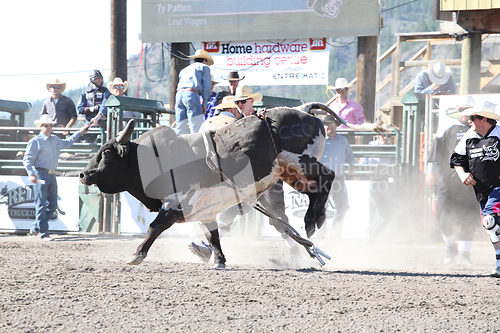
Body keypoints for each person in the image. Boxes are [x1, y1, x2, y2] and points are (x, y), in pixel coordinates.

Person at [189, 88, 300, 263]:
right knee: (229, 210)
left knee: (277, 217)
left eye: (243, 101)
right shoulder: (236, 124)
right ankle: (209, 247)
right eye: (237, 102)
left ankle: (296, 252)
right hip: (247, 179)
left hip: (269, 176)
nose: (240, 105)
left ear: (251, 102)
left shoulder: (264, 119)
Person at [426, 97, 479, 265]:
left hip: (472, 181)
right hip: (447, 180)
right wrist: (431, 172)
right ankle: (450, 248)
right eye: (462, 110)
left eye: (469, 110)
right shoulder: (446, 127)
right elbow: (435, 151)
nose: (465, 114)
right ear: (458, 111)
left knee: (468, 218)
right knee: (442, 218)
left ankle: (464, 254)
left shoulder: (480, 129)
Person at [450, 101, 500, 277]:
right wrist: (463, 175)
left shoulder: (499, 134)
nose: (469, 121)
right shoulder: (469, 136)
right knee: (491, 225)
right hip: (481, 189)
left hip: (497, 187)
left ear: (484, 119)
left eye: (473, 118)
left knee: (490, 222)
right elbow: (457, 160)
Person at [23, 114, 90, 241]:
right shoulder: (36, 141)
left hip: (51, 174)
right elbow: (27, 160)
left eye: (50, 125)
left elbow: (68, 143)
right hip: (40, 173)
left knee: (52, 205)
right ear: (41, 127)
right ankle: (43, 232)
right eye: (45, 125)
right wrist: (31, 174)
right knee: (41, 204)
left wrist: (79, 132)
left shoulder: (55, 139)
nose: (48, 127)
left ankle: (36, 227)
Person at [319, 115, 356, 234]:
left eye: (332, 124)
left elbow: (349, 154)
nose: (330, 126)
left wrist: (352, 164)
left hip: (339, 178)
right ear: (323, 127)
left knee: (342, 206)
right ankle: (322, 235)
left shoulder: (343, 140)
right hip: (323, 178)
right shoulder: (319, 141)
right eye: (327, 124)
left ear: (336, 126)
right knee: (320, 207)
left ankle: (335, 233)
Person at [174, 49, 214, 135]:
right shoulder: (204, 67)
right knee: (195, 127)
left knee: (179, 126)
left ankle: (176, 146)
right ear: (204, 60)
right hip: (191, 94)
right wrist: (205, 104)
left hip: (179, 94)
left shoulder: (184, 70)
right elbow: (207, 87)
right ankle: (196, 146)